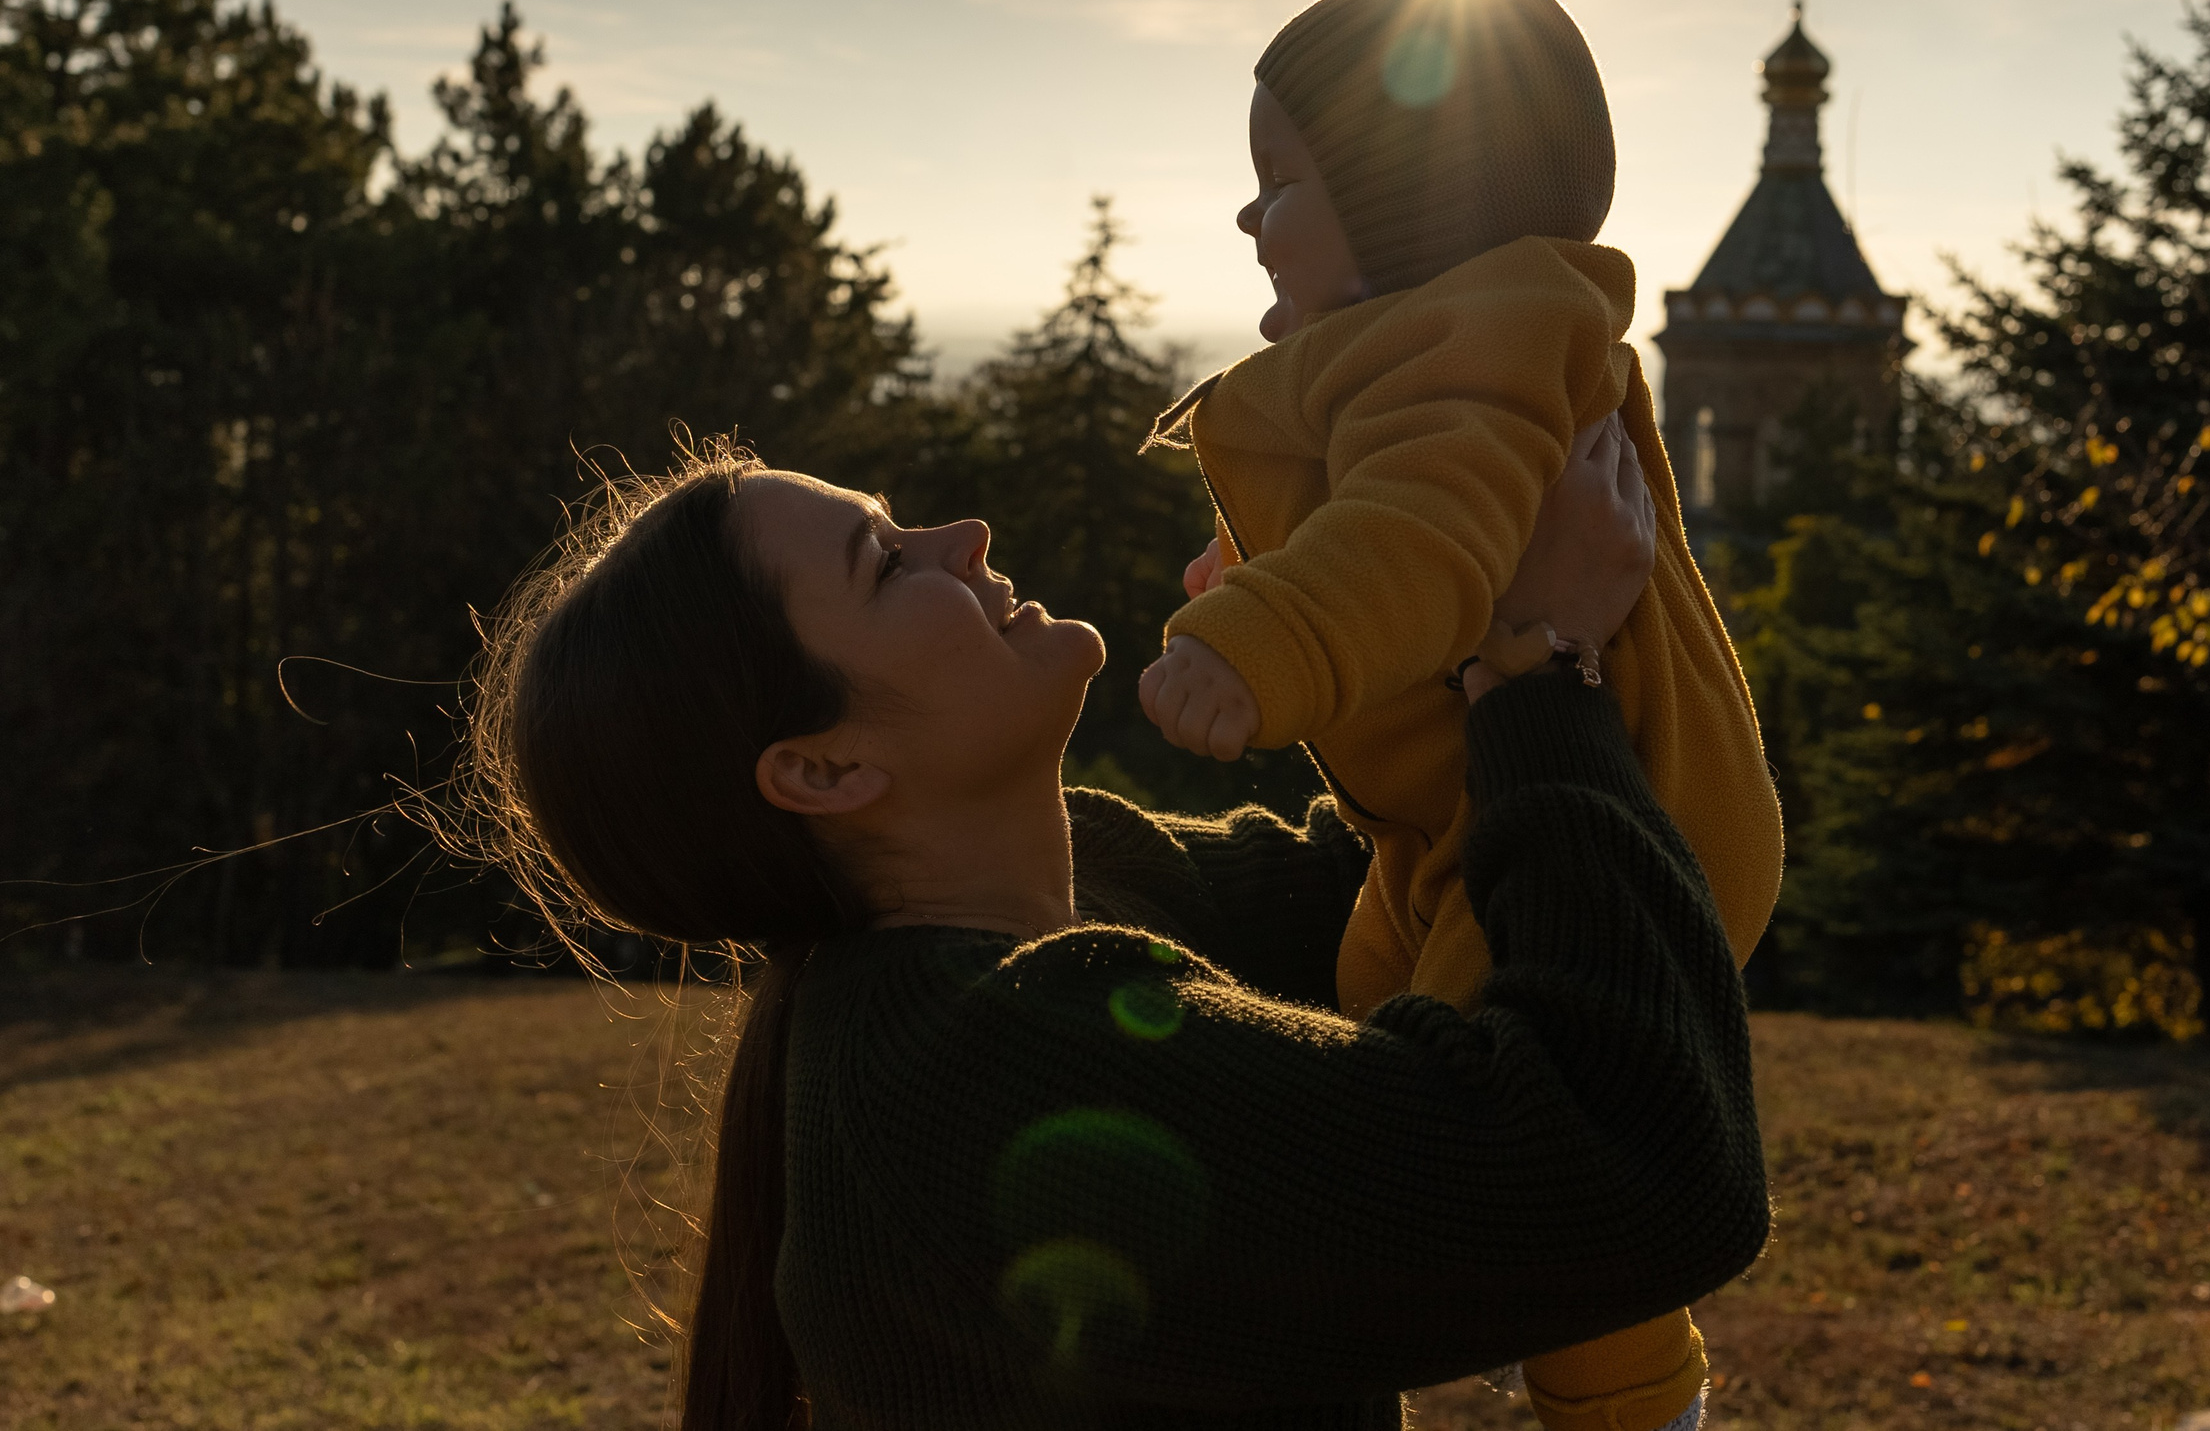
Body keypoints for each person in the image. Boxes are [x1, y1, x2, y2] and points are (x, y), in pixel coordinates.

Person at [465, 427, 1766, 1431]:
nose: (963, 535)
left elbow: (1416, 891)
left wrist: (1373, 619)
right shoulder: (981, 1077)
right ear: (823, 768)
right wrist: (1544, 664)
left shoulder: (1088, 885)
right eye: (886, 561)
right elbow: (1637, 1170)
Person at [1135, 0, 1785, 1431]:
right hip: (1475, 817)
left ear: (1407, 202)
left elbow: (1426, 537)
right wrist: (1272, 556)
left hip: (1608, 814)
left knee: (1525, 1101)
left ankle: (1624, 1387)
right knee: (1379, 1000)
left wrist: (1266, 637)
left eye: (1283, 184)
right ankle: (1523, 1305)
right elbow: (1399, 504)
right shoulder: (1444, 336)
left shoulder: (1474, 343)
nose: (1250, 217)